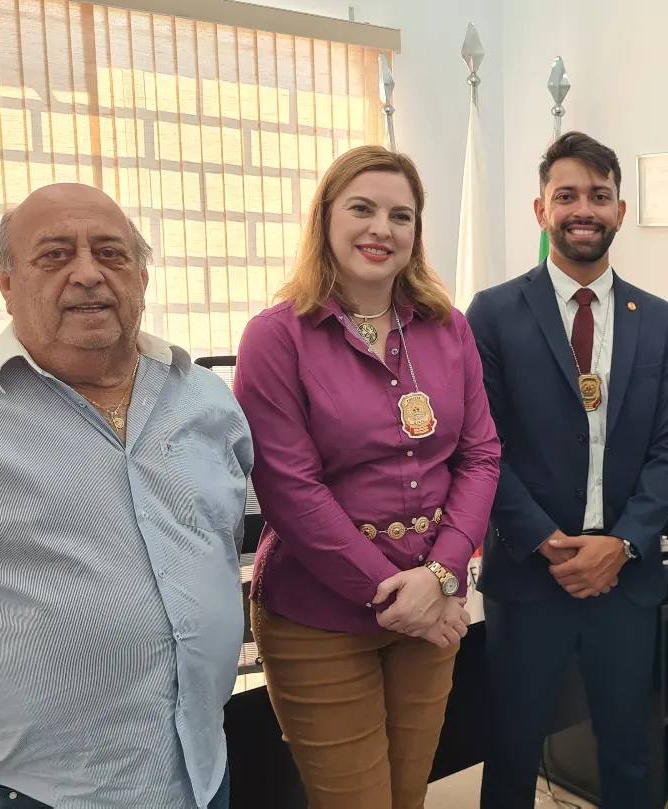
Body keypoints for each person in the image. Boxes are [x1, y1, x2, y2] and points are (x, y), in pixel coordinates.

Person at [0, 184, 249, 808]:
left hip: (201, 776)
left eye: (111, 253)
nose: (87, 274)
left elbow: (220, 539)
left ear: (141, 276)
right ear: (5, 281)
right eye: (55, 255)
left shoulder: (207, 399)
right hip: (32, 791)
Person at [233, 145, 500, 809]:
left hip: (432, 600)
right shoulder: (277, 337)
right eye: (362, 209)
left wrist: (440, 576)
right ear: (325, 217)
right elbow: (290, 490)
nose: (381, 228)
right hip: (319, 616)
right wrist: (399, 595)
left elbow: (480, 455)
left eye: (400, 215)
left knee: (407, 795)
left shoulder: (448, 328)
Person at [466, 131, 668, 809]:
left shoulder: (658, 320)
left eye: (599, 195)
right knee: (511, 752)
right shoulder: (493, 313)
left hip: (624, 577)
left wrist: (622, 543)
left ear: (621, 209)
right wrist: (545, 539)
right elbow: (481, 445)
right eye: (566, 196)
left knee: (628, 752)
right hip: (528, 574)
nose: (583, 209)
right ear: (542, 210)